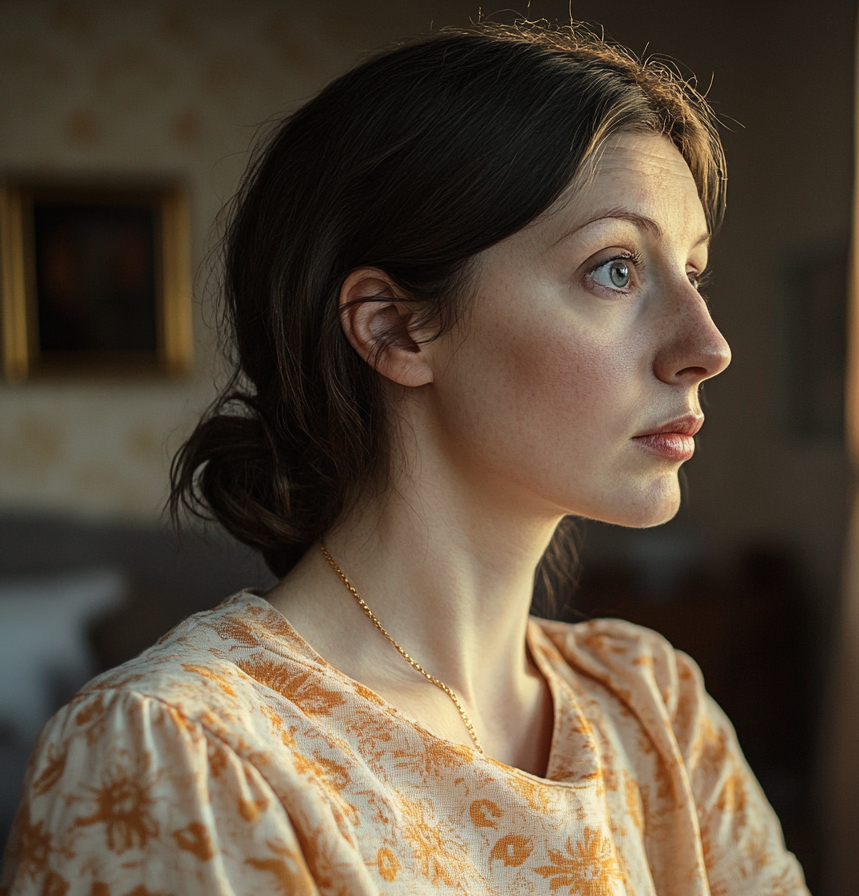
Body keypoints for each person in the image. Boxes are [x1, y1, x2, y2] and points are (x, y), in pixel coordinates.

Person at [0, 22, 810, 896]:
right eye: (615, 269)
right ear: (394, 328)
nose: (708, 345)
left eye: (695, 274)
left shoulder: (654, 710)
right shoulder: (178, 754)